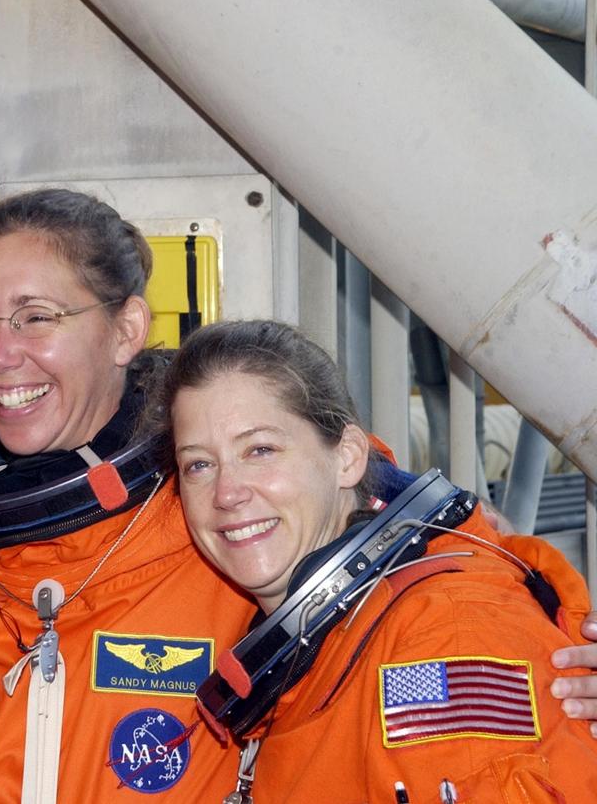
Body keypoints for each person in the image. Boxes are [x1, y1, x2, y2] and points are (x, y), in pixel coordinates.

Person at [0, 189, 597, 804]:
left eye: (36, 316)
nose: (0, 354)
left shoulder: (425, 611)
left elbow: (405, 527)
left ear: (126, 330)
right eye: (199, 464)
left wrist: (525, 621)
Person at [166, 319, 597, 802]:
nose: (226, 493)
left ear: (348, 457)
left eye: (260, 450)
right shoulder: (317, 646)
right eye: (199, 465)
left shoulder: (445, 632)